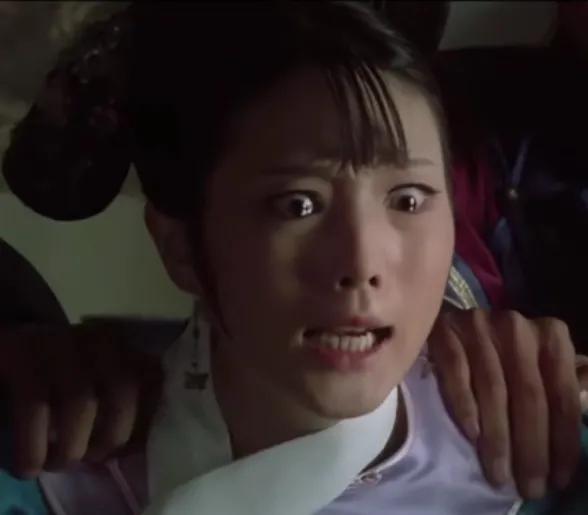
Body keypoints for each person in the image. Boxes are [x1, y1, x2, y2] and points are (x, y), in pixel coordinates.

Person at [1, 2, 587, 514]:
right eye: (297, 205)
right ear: (179, 245)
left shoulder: (543, 471)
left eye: (409, 199)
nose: (361, 263)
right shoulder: (47, 461)